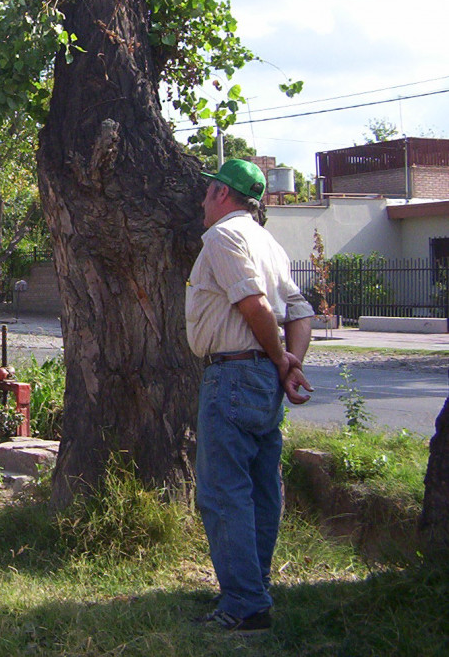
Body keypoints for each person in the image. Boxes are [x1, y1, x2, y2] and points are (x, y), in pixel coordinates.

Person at [185, 158, 315, 634]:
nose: (202, 200)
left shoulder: (223, 237)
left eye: (207, 191)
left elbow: (254, 304)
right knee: (261, 489)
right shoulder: (268, 242)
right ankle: (252, 591)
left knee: (224, 492)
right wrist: (288, 364)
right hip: (262, 379)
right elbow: (300, 309)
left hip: (234, 374)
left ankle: (243, 602)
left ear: (222, 193)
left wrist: (282, 360)